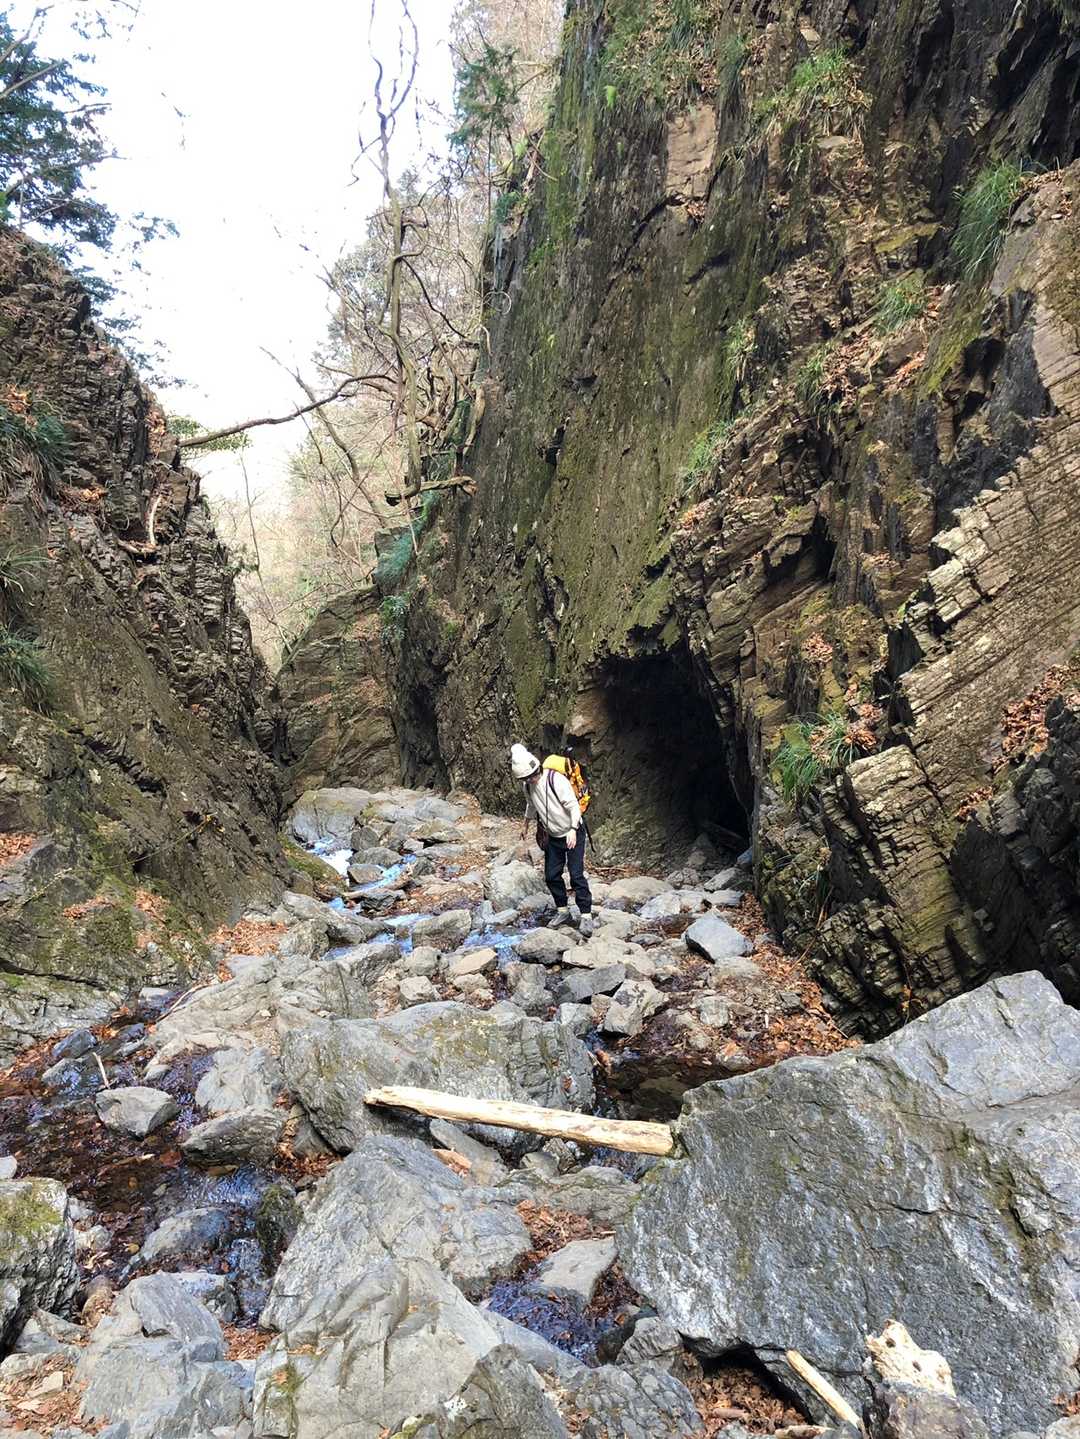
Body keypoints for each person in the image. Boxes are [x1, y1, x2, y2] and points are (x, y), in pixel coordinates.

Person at [511, 742, 594, 937]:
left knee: (576, 875)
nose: (532, 780)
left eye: (533, 775)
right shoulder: (527, 786)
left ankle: (586, 915)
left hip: (572, 832)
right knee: (551, 875)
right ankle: (563, 911)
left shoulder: (555, 780)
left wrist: (573, 829)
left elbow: (573, 806)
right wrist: (525, 824)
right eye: (526, 778)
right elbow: (531, 805)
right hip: (553, 836)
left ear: (537, 768)